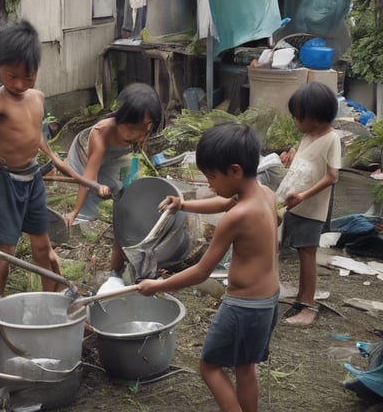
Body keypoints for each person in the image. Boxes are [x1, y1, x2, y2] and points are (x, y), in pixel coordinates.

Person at [137, 122, 280, 412]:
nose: (210, 184)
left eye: (212, 176)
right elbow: (223, 202)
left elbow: (202, 271)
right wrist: (182, 204)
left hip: (243, 308)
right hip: (268, 301)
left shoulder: (237, 216)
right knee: (245, 367)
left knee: (209, 367)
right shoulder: (265, 193)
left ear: (235, 170)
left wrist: (159, 286)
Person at [0, 20, 87, 295]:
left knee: (42, 245)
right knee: (6, 251)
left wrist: (54, 159)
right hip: (4, 179)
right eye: (11, 75)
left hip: (32, 177)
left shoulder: (37, 97)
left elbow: (35, 134)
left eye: (28, 77)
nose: (19, 84)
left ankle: (48, 299)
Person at [64, 83, 162, 278]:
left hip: (116, 158)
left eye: (145, 128)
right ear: (120, 118)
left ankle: (116, 271)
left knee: (125, 207)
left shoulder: (144, 128)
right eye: (132, 127)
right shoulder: (102, 132)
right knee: (91, 204)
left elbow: (139, 154)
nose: (139, 133)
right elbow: (88, 178)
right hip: (86, 156)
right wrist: (75, 212)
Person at [277, 81, 340, 327]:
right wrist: (291, 156)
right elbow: (307, 160)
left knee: (307, 255)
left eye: (297, 117)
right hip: (295, 204)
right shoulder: (308, 135)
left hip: (311, 209)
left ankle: (308, 305)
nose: (295, 121)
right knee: (300, 251)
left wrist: (303, 196)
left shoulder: (331, 139)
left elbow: (332, 176)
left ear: (314, 117)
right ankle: (300, 299)